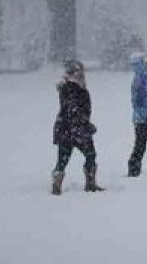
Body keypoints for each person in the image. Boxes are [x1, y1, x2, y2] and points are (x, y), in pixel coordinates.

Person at [51, 59, 104, 194]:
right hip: (77, 129)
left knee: (63, 158)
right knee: (90, 154)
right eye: (80, 72)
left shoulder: (67, 88)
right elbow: (74, 111)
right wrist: (85, 124)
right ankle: (90, 183)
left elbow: (71, 110)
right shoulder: (75, 90)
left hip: (64, 128)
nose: (83, 75)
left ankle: (57, 184)